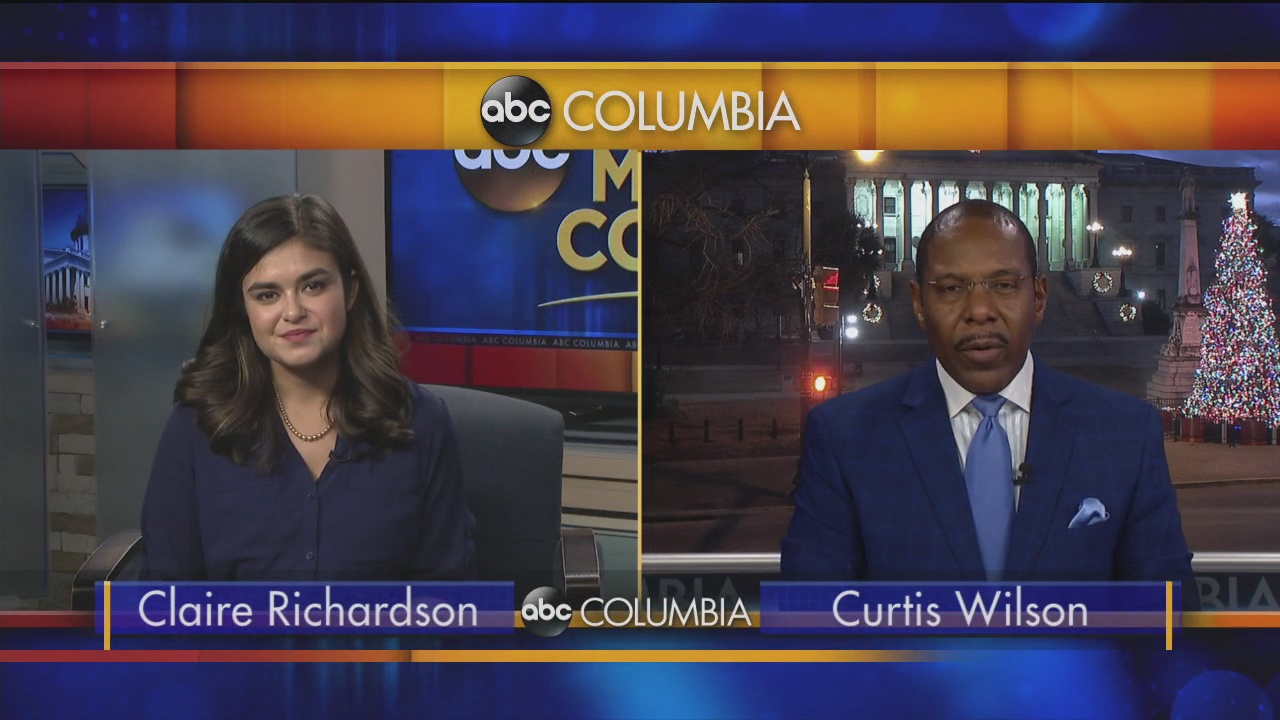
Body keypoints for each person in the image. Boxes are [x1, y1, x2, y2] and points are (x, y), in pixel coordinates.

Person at [781, 199, 1199, 609]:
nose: (979, 311)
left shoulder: (1126, 433)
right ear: (918, 303)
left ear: (1039, 297)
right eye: (950, 288)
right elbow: (811, 627)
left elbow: (1170, 623)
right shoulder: (845, 438)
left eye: (1004, 285)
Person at [140, 194, 476, 581]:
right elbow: (164, 593)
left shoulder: (422, 423)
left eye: (313, 286)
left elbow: (451, 595)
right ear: (243, 309)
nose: (293, 312)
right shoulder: (197, 426)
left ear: (350, 291)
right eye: (267, 295)